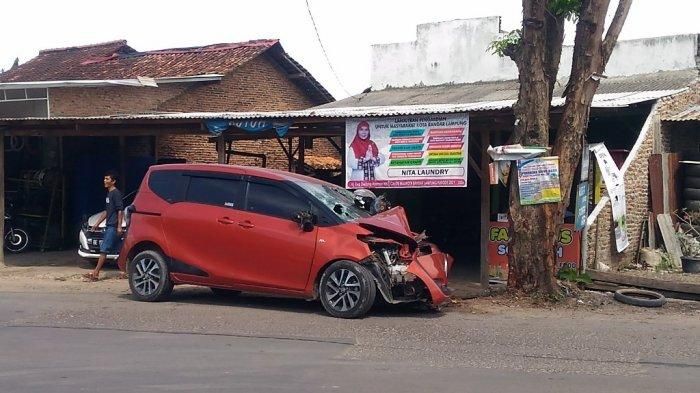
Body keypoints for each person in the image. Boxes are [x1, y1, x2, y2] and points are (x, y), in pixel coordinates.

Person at [83, 171, 124, 281]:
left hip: (113, 226)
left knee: (104, 250)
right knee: (119, 249)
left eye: (107, 179)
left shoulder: (116, 193)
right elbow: (107, 211)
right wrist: (96, 224)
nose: (105, 181)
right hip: (109, 225)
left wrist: (119, 226)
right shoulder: (109, 194)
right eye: (104, 179)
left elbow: (120, 210)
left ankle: (96, 273)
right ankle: (124, 272)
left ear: (113, 181)